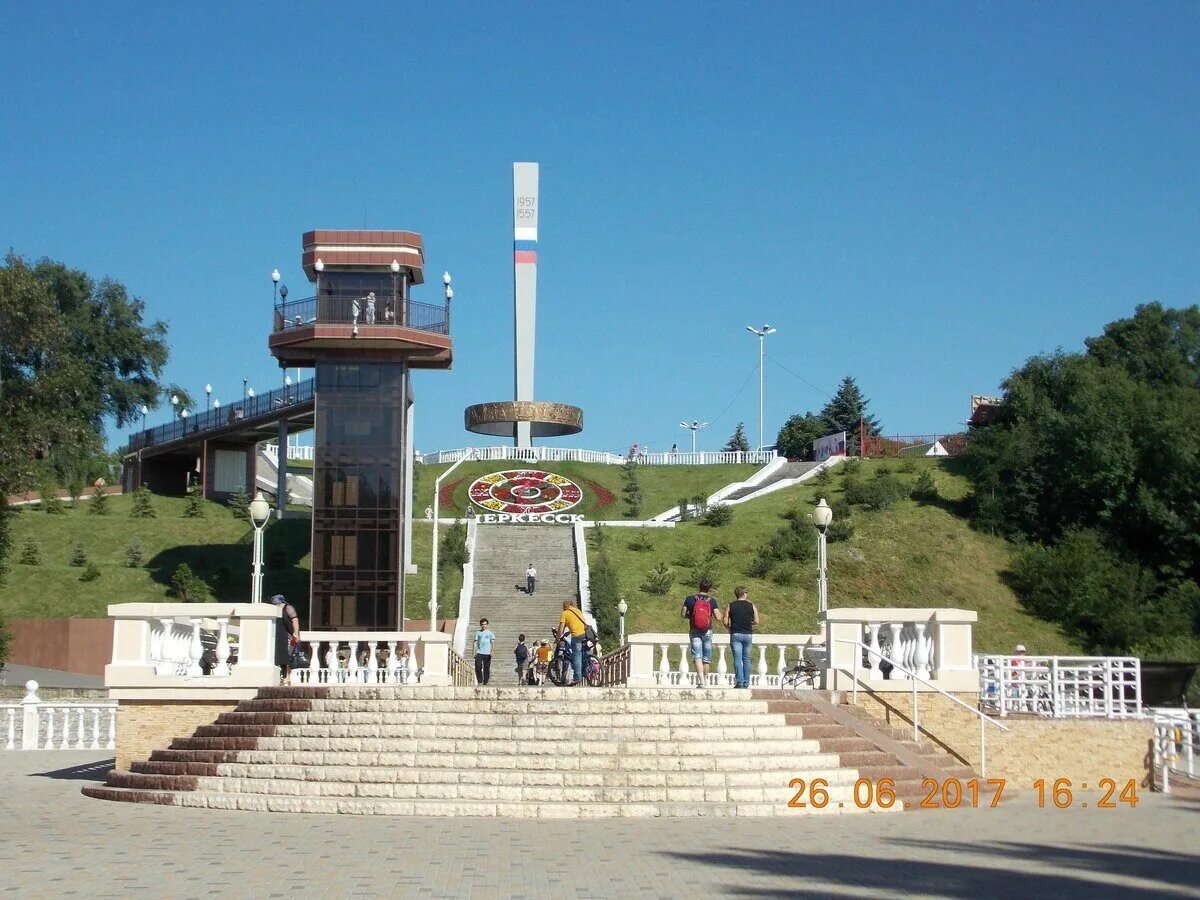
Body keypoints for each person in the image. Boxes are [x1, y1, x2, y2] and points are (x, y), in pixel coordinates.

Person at [682, 579, 720, 686]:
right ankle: (705, 679)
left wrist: (693, 616)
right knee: (706, 657)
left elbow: (683, 614)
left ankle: (701, 680)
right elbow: (718, 617)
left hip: (694, 630)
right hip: (707, 630)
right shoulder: (712, 601)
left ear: (699, 587)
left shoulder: (690, 599)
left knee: (697, 655)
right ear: (709, 589)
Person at [723, 586, 760, 689]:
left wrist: (730, 628)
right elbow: (757, 621)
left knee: (737, 659)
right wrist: (749, 622)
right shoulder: (751, 606)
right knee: (746, 658)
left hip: (736, 634)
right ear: (744, 594)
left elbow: (725, 621)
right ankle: (746, 682)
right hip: (748, 634)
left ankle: (739, 682)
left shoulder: (730, 605)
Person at [268, 594, 301, 683]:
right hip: (280, 636)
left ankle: (287, 676)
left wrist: (295, 633)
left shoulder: (288, 608)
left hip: (289, 635)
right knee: (282, 656)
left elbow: (294, 620)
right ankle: (285, 676)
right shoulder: (275, 610)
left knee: (287, 655)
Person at [558, 600, 589, 686]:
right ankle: (586, 669)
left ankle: (577, 677)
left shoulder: (565, 613)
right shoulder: (578, 610)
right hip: (585, 634)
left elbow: (561, 629)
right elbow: (578, 624)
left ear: (564, 606)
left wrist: (558, 638)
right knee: (583, 653)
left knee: (576, 655)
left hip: (577, 636)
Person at [473, 618, 496, 685]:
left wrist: (492, 651)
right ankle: (480, 681)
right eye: (482, 624)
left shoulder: (490, 633)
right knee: (477, 667)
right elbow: (475, 642)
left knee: (486, 668)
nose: (483, 626)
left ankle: (485, 682)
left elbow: (493, 642)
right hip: (479, 652)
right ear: (480, 625)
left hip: (487, 653)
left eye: (485, 624)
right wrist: (473, 652)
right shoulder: (478, 632)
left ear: (487, 625)